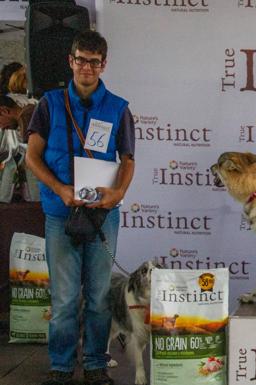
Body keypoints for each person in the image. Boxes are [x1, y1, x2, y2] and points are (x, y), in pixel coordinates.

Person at [25, 30, 135, 385]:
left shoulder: (119, 108)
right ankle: (60, 367)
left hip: (102, 214)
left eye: (94, 61)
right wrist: (59, 189)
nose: (86, 67)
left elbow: (128, 159)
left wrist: (118, 193)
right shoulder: (49, 104)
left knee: (100, 297)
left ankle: (94, 364)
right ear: (70, 61)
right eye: (80, 60)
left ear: (103, 65)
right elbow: (31, 157)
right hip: (60, 214)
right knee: (64, 298)